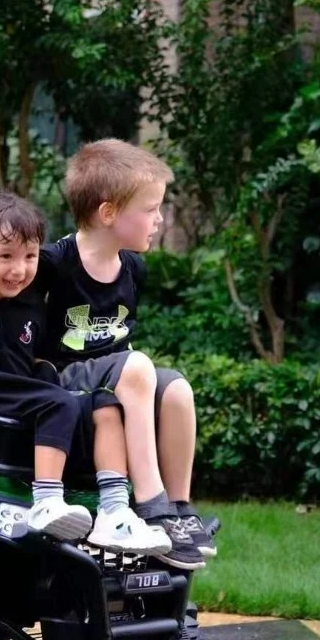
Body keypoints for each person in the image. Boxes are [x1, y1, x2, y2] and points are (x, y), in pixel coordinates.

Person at [0, 191, 171, 554]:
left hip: (20, 403)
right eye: (5, 257)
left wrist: (48, 375)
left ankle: (116, 512)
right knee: (57, 404)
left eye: (30, 257)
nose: (19, 270)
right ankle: (47, 500)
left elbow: (39, 355)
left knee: (102, 405)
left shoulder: (31, 300)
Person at [37, 138, 213, 567]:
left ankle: (180, 507)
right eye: (150, 209)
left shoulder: (133, 267)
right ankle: (153, 506)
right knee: (137, 365)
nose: (159, 220)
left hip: (115, 379)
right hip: (63, 386)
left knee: (176, 389)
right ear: (109, 213)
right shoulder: (54, 264)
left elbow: (123, 343)